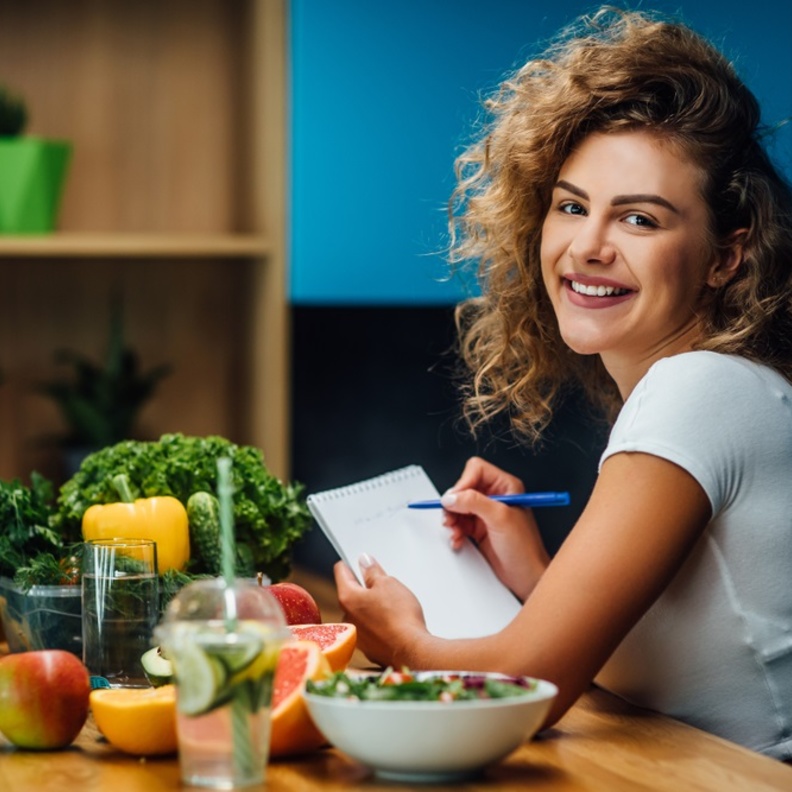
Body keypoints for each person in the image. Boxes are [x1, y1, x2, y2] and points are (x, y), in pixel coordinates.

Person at [333, 6, 792, 760]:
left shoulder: (699, 391)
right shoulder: (720, 388)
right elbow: (665, 667)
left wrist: (404, 641)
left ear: (725, 256)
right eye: (571, 207)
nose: (588, 246)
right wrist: (538, 576)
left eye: (639, 220)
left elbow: (529, 690)